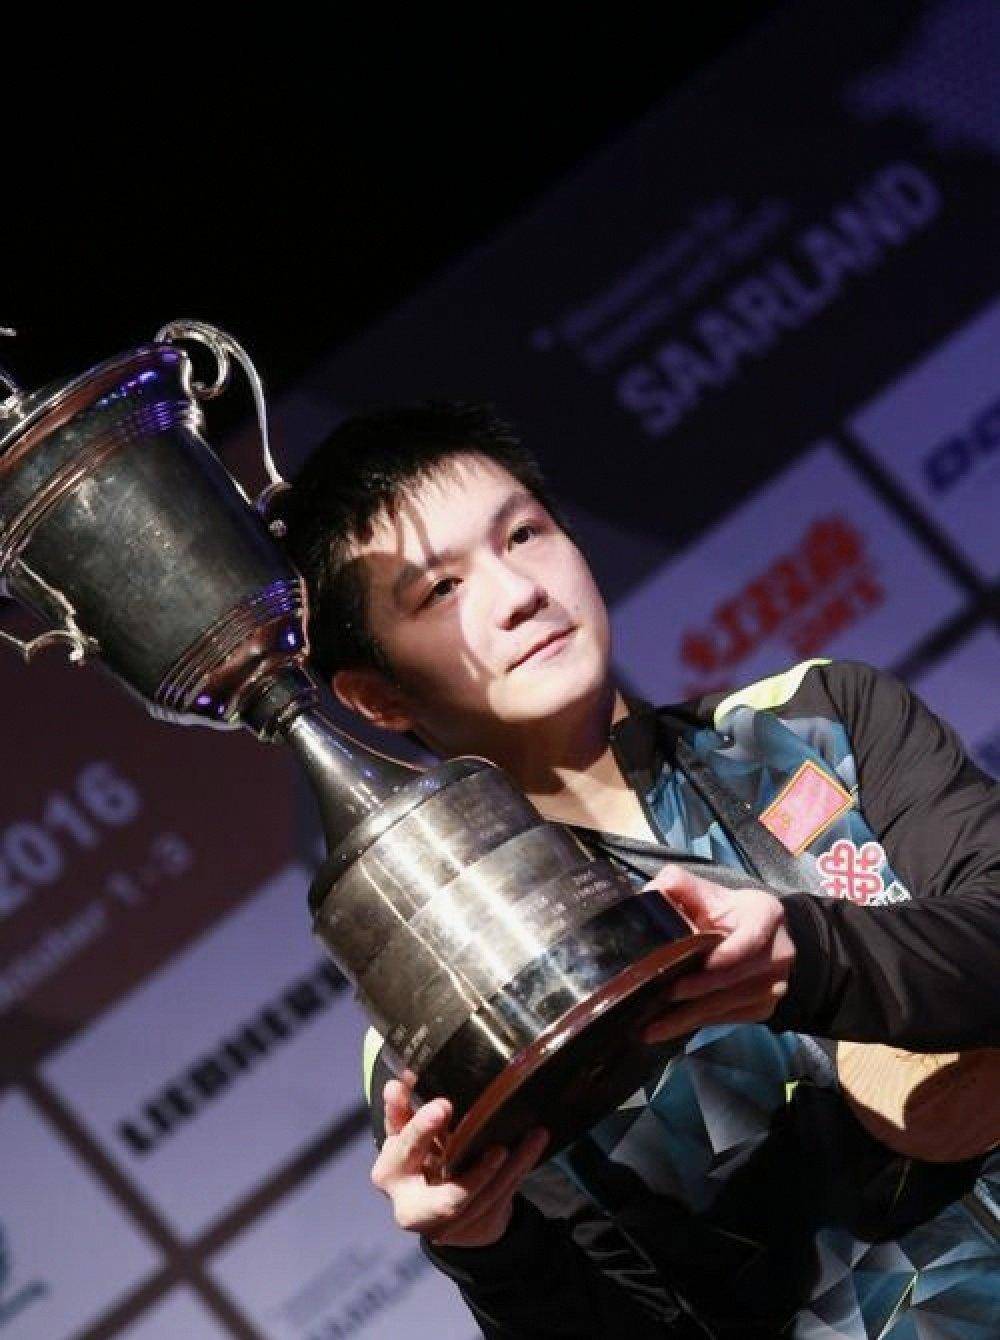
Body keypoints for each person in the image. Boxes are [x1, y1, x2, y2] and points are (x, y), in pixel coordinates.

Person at [278, 402, 1000, 1338]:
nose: (519, 592)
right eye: (442, 590)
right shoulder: (451, 1020)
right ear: (377, 696)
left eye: (523, 534)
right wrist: (489, 1253)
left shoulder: (816, 723)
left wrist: (814, 958)